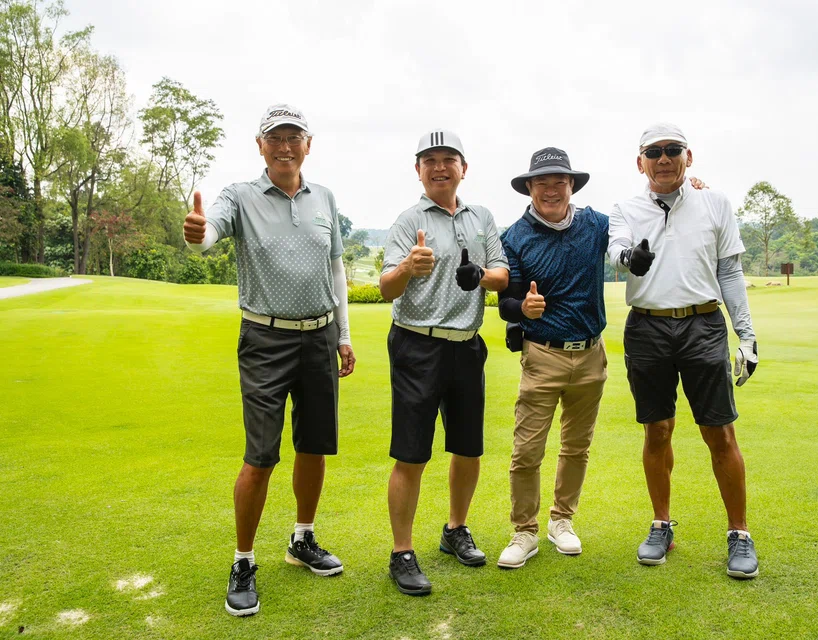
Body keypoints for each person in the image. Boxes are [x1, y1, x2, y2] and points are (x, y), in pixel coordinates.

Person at [183, 104, 356, 616]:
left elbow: (336, 269)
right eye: (274, 138)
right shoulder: (240, 195)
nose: (284, 146)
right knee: (261, 456)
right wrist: (199, 235)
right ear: (260, 145)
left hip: (321, 336)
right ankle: (243, 560)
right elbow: (209, 230)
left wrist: (344, 335)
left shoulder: (323, 197)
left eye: (293, 137)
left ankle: (302, 539)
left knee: (315, 444)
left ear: (309, 144)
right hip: (265, 336)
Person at [607, 122, 760, 579]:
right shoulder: (626, 208)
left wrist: (746, 336)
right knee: (657, 430)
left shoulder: (715, 203)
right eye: (654, 152)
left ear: (689, 157)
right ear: (640, 163)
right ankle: (661, 524)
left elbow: (729, 273)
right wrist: (631, 258)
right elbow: (614, 251)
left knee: (720, 433)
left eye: (673, 150)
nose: (664, 158)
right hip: (648, 328)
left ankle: (739, 533)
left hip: (703, 324)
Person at [379, 129, 509, 595]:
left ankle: (455, 529)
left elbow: (501, 272)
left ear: (463, 168)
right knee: (411, 452)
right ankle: (402, 551)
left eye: (448, 159)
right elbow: (386, 287)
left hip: (466, 345)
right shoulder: (407, 220)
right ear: (418, 170)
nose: (439, 167)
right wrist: (406, 268)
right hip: (417, 344)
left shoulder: (482, 217)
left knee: (468, 447)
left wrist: (483, 277)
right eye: (429, 160)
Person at [495, 148, 608, 568]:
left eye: (560, 181)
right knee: (527, 451)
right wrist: (522, 310)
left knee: (577, 448)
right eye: (542, 182)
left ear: (571, 185)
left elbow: (642, 223)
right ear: (529, 187)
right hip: (543, 355)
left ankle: (562, 521)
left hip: (591, 354)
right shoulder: (516, 237)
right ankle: (524, 531)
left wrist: (692, 187)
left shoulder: (596, 225)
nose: (551, 189)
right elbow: (505, 299)